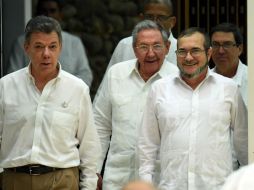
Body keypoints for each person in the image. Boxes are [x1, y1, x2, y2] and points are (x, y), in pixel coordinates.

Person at [138, 27, 248, 190]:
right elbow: (147, 146)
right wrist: (146, 185)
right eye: (182, 51)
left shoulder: (228, 89)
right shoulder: (159, 89)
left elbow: (243, 144)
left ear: (208, 54)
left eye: (195, 50)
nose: (188, 57)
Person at [0, 15, 100, 190]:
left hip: (62, 179)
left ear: (60, 47)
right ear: (26, 48)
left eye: (52, 47)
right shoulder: (6, 86)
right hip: (15, 180)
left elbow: (89, 146)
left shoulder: (77, 89)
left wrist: (89, 186)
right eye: (39, 47)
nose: (46, 54)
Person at [93, 20, 178, 190]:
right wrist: (94, 170)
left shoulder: (177, 80)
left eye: (157, 46)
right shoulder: (116, 74)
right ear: (133, 49)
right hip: (118, 177)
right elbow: (100, 125)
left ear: (168, 47)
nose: (151, 53)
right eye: (143, 47)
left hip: (161, 180)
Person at [6, 0, 93, 87]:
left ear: (60, 14)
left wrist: (62, 91)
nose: (48, 15)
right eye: (38, 46)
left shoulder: (74, 43)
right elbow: (12, 78)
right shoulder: (21, 42)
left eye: (52, 11)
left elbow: (85, 76)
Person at [107, 0, 177, 69]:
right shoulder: (125, 45)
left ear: (172, 22)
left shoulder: (181, 49)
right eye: (149, 17)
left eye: (161, 17)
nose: (155, 22)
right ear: (141, 19)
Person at [210, 23, 247, 106]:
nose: (221, 51)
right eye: (215, 44)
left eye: (227, 44)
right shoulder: (203, 80)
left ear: (240, 49)